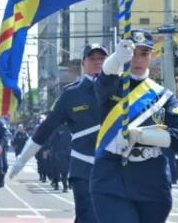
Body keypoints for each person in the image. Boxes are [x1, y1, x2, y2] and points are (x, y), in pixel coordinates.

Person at [91, 29, 178, 223]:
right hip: (111, 177)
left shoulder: (164, 97)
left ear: (151, 55)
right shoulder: (112, 86)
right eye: (133, 53)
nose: (138, 59)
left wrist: (142, 136)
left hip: (152, 179)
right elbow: (104, 77)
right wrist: (115, 59)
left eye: (143, 53)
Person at [9, 43, 109, 223]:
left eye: (102, 59)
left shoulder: (120, 89)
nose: (98, 62)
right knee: (89, 216)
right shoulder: (71, 94)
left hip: (113, 166)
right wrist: (23, 158)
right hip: (84, 165)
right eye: (92, 59)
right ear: (83, 63)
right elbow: (47, 127)